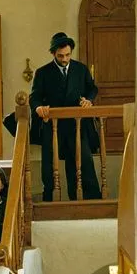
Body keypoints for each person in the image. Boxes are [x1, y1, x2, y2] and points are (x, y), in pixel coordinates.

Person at [30, 31, 102, 202]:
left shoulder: (81, 69)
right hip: (52, 127)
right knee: (49, 168)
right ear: (53, 53)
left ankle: (90, 201)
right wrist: (39, 107)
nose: (64, 59)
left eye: (68, 55)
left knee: (83, 163)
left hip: (77, 126)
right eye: (60, 55)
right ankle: (49, 202)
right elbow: (35, 96)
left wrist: (89, 101)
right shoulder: (43, 72)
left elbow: (92, 88)